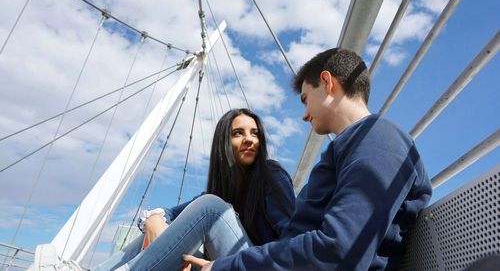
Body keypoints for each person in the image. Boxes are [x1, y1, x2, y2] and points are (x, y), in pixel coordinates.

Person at [184, 48, 432, 270]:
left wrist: (224, 268)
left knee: (210, 211)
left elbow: (340, 250)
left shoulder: (379, 139)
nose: (304, 115)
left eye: (305, 99)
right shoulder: (348, 148)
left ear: (326, 82)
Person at [29, 108, 295, 270]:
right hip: (227, 262)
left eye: (255, 133)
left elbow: (293, 244)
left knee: (211, 208)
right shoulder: (220, 191)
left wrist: (226, 265)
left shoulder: (270, 176)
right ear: (223, 142)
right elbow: (165, 213)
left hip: (257, 266)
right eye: (238, 133)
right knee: (193, 214)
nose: (249, 139)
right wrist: (154, 220)